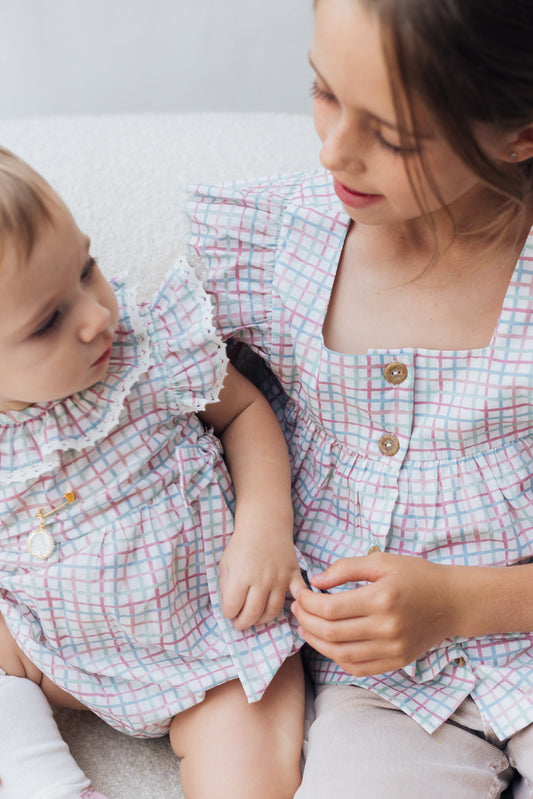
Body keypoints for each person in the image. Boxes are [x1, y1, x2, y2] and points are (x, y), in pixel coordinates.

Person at [187, 0, 533, 795]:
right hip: (377, 684)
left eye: (393, 135)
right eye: (323, 91)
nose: (333, 150)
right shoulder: (278, 241)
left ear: (519, 134)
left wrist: (457, 602)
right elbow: (145, 375)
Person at [0, 145, 306, 799]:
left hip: (212, 635)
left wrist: (264, 525)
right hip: (58, 650)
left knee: (251, 773)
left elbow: (244, 410)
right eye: (48, 321)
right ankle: (42, 779)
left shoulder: (150, 344)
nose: (94, 316)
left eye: (87, 268)